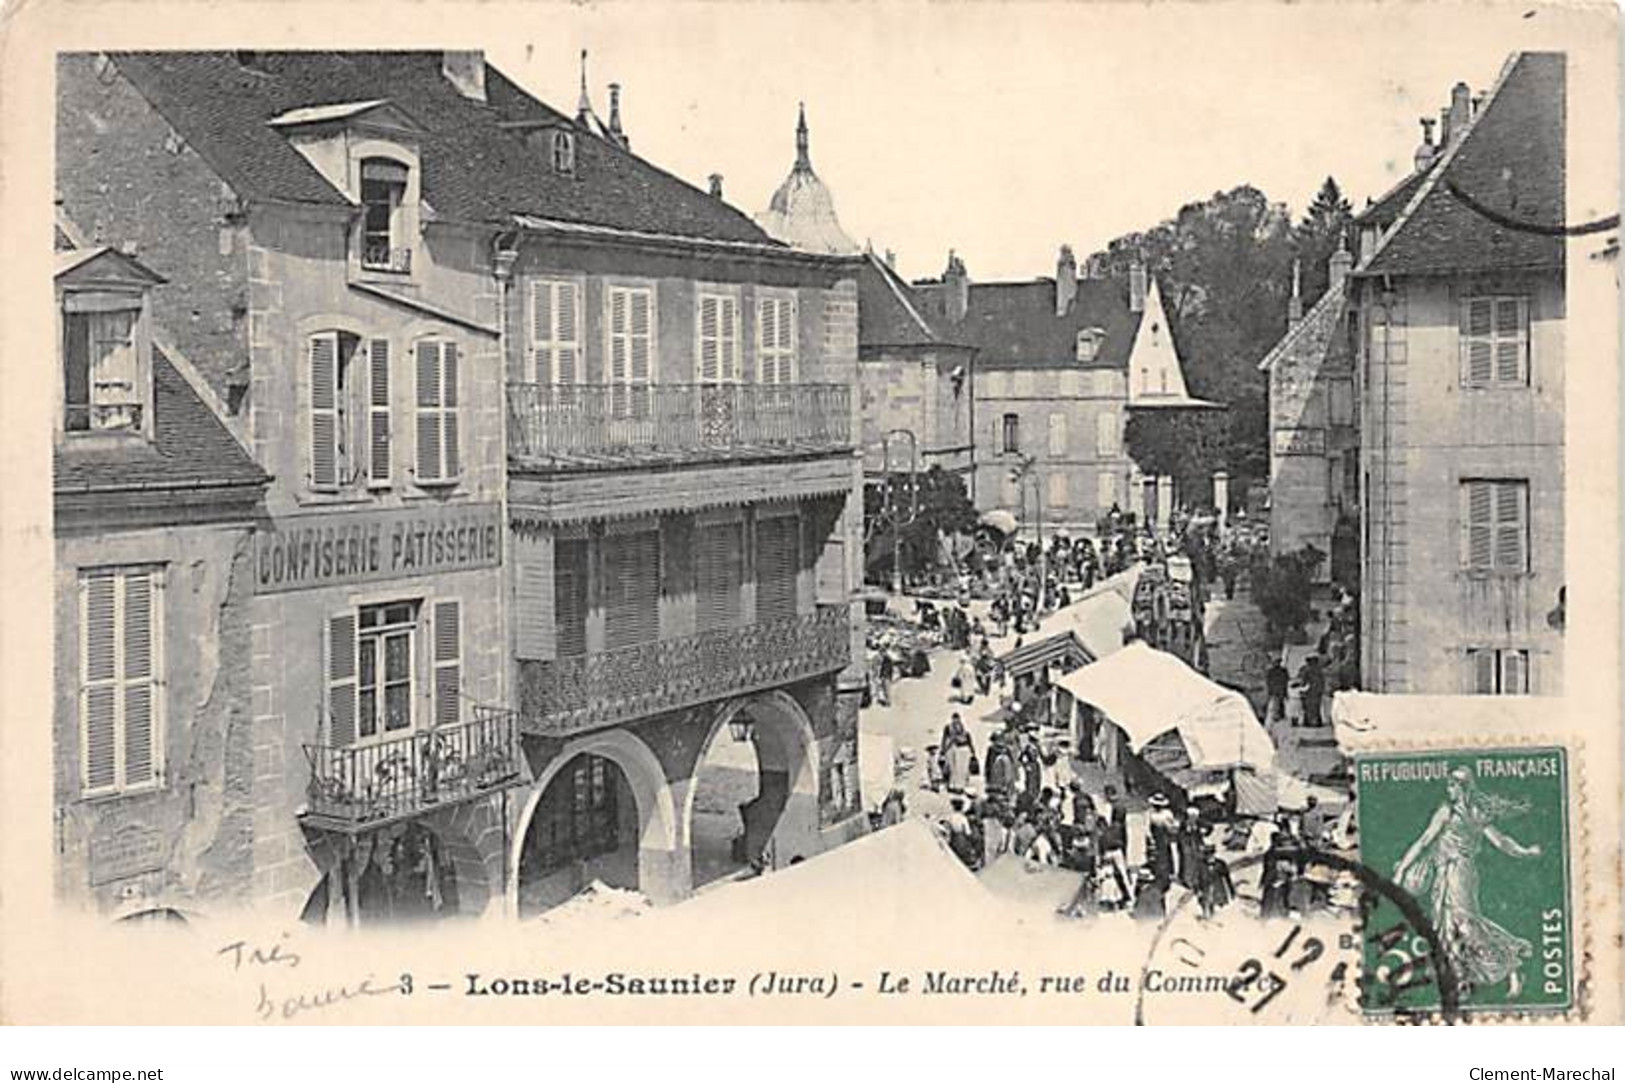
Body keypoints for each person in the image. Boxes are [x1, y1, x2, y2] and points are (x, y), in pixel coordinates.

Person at [1393, 766, 1543, 999]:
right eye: (1448, 785)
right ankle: (1460, 980)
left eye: (1453, 785)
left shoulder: (1475, 812)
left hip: (1461, 873)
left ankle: (1511, 965)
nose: (1449, 789)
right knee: (1445, 926)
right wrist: (1402, 869)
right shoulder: (1447, 811)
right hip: (1444, 873)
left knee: (1466, 926)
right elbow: (1424, 841)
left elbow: (1501, 841)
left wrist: (1524, 852)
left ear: (1464, 787)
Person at [1146, 792, 1179, 890]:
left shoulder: (1153, 814)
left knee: (1162, 857)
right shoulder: (1164, 814)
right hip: (1162, 838)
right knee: (1164, 857)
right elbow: (1172, 827)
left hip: (1162, 838)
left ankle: (1162, 876)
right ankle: (1165, 875)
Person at [940, 712, 975, 794]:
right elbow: (944, 739)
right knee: (953, 769)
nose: (956, 721)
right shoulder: (948, 728)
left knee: (960, 769)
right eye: (954, 719)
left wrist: (972, 751)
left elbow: (967, 739)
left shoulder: (962, 728)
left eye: (957, 719)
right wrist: (943, 749)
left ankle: (959, 786)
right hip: (952, 750)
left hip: (961, 751)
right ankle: (953, 786)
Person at [1177, 805, 1207, 890]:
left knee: (1197, 864)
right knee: (1187, 864)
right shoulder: (1184, 825)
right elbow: (1181, 837)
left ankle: (1196, 881)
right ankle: (1187, 881)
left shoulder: (1196, 825)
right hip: (1187, 847)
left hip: (1195, 847)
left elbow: (1199, 836)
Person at [1297, 654, 1326, 728]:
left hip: (1310, 691)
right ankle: (1317, 722)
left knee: (1308, 707)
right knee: (1316, 707)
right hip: (1316, 691)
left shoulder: (1307, 670)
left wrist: (1302, 689)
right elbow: (1322, 681)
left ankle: (1308, 722)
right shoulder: (1319, 670)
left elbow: (1304, 681)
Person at [1265, 656, 1289, 726]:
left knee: (1279, 702)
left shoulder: (1281, 671)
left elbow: (1285, 680)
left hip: (1279, 689)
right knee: (1276, 702)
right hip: (1276, 689)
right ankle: (1278, 715)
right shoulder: (1274, 671)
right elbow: (1269, 681)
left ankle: (1280, 714)